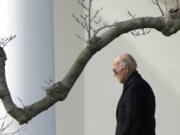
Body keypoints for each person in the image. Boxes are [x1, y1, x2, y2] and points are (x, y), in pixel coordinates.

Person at [113, 53, 156, 135]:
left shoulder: (135, 88)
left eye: (115, 70)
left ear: (125, 68)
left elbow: (132, 121)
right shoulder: (135, 85)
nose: (114, 74)